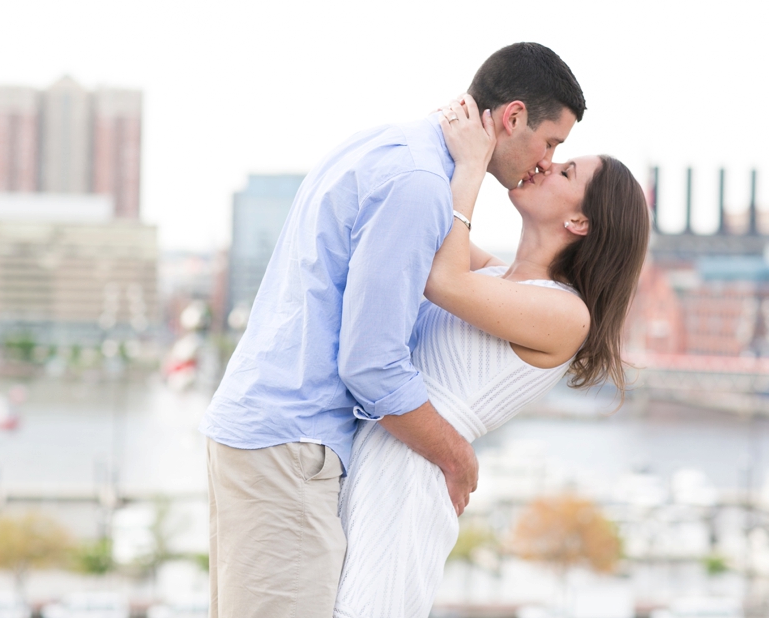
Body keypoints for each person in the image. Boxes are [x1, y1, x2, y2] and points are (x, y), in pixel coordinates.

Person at [199, 43, 586, 618]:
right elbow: (370, 363)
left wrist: (470, 172)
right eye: (551, 142)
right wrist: (457, 458)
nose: (545, 160)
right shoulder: (418, 186)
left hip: (282, 435)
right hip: (290, 444)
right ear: (512, 118)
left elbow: (472, 273)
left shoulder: (396, 148)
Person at [333, 96, 651, 618]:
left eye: (566, 170)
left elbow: (441, 277)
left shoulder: (566, 315)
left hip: (411, 474)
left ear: (579, 221)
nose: (546, 163)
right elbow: (443, 244)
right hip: (387, 449)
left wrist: (473, 166)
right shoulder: (499, 278)